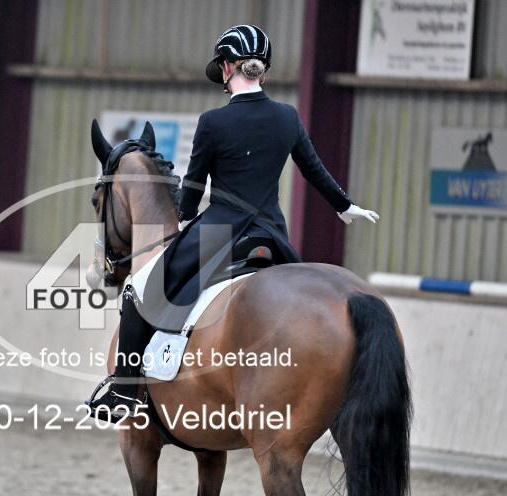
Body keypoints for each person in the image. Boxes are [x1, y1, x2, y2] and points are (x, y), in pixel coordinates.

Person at [86, 24, 379, 422]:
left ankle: (123, 393)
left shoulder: (212, 122)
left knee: (137, 293)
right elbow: (314, 170)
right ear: (264, 70)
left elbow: (193, 186)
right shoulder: (287, 117)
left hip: (220, 231)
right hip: (272, 234)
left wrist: (183, 218)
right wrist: (345, 206)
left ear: (226, 67)